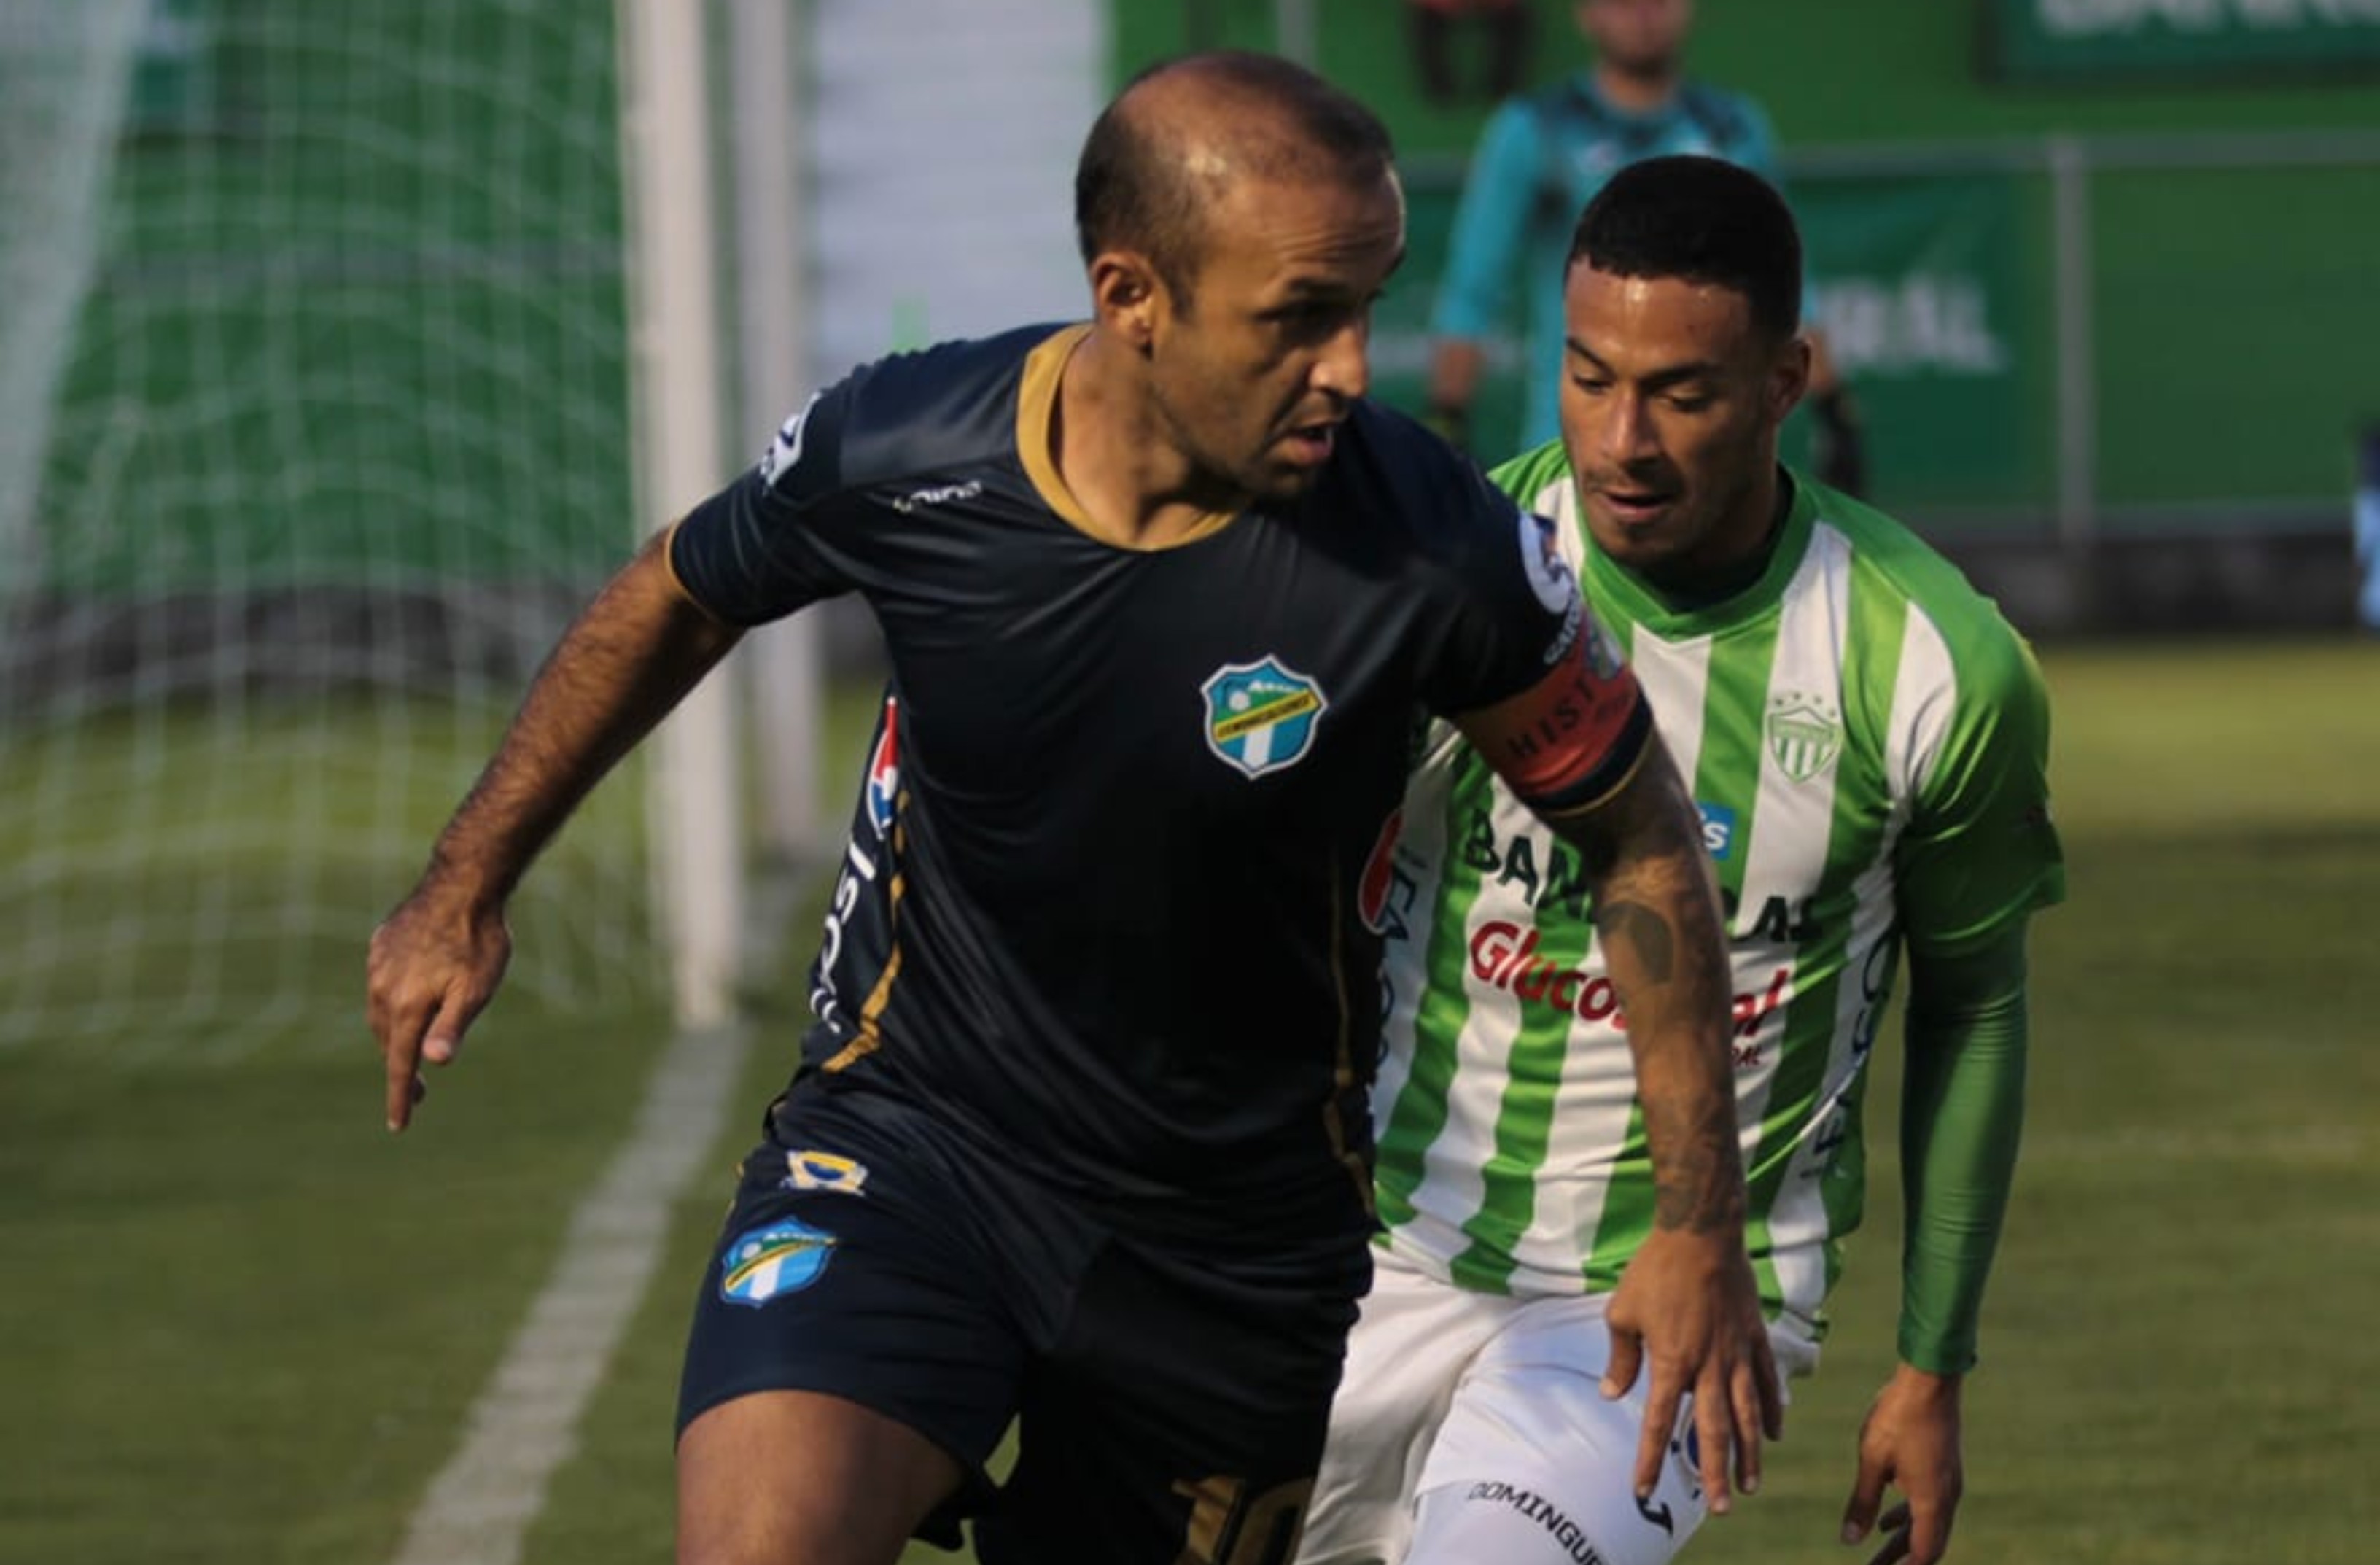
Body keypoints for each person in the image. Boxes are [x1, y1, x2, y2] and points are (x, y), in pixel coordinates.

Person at [365, 54, 1779, 1565]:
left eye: (1370, 304)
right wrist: (466, 878)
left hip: (1234, 1253)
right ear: (1132, 293)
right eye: (1301, 314)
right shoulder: (911, 453)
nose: (1354, 367)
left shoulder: (1437, 554)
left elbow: (1636, 833)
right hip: (917, 1150)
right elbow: (680, 588)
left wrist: (1699, 1222)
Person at [1299, 155, 2063, 1565]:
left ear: (1784, 383)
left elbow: (1976, 1004)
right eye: (1588, 378)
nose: (1620, 441)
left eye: (1681, 394)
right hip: (1366, 1252)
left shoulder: (1934, 667)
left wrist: (1931, 1362)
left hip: (1673, 1294)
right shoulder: (1449, 576)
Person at [1423, 0, 1864, 494]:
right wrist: (1449, 415)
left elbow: (1787, 279)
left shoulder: (1732, 128)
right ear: (1586, 13)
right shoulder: (1535, 130)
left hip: (1715, 445)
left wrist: (1834, 408)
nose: (1642, 14)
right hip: (1573, 447)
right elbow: (1474, 285)